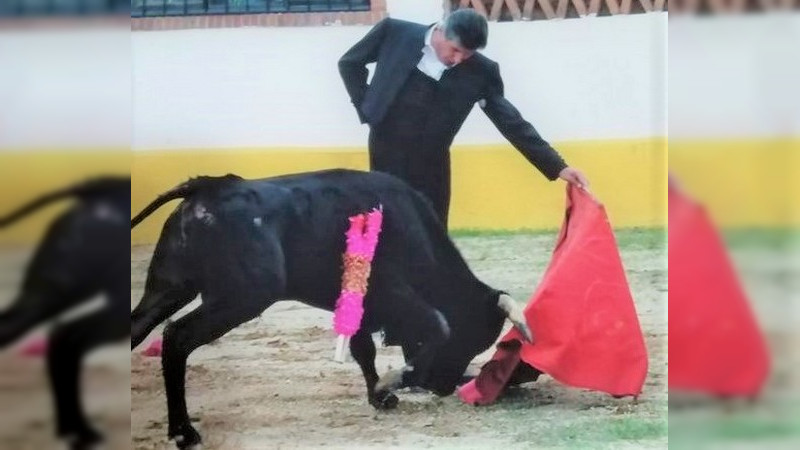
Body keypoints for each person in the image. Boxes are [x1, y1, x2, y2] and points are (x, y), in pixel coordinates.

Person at [338, 9, 589, 228]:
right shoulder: (394, 32)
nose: (457, 60)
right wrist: (369, 109)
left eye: (466, 55)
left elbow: (510, 121)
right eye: (455, 50)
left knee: (432, 234)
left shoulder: (482, 71)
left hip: (432, 162)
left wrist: (558, 166)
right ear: (440, 32)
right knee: (386, 226)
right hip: (386, 151)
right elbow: (350, 63)